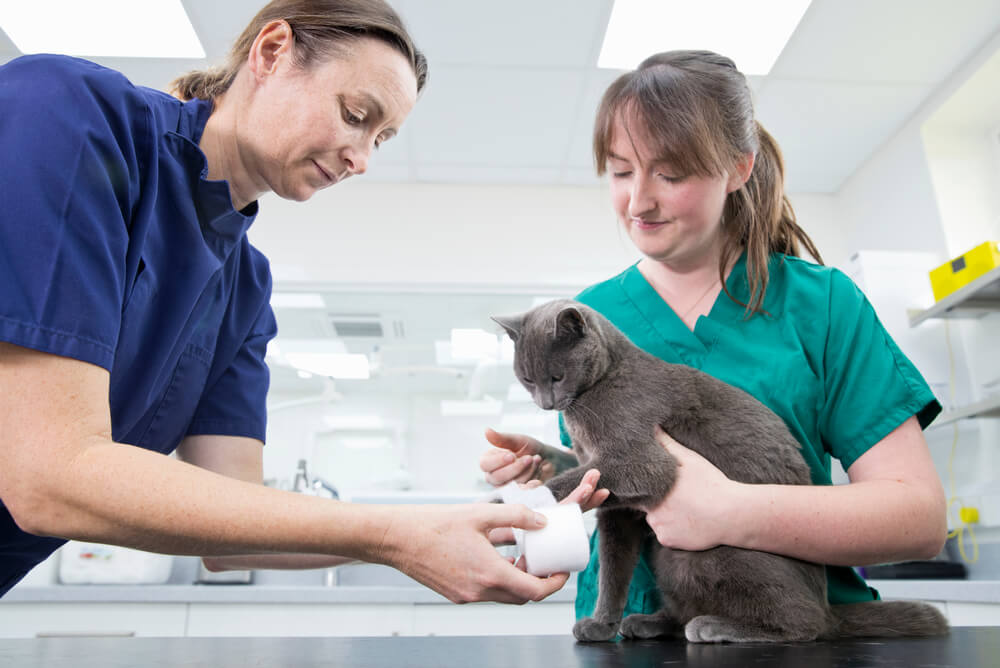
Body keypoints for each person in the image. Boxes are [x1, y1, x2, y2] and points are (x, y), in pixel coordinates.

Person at [0, 0, 601, 602]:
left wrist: (490, 516)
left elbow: (234, 532)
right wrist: (392, 535)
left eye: (381, 137)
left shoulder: (244, 287)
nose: (361, 159)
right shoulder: (70, 115)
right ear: (272, 52)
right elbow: (49, 475)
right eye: (355, 114)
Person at [480, 50, 947, 621]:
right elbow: (636, 478)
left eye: (670, 174)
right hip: (635, 634)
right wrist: (559, 469)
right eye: (622, 171)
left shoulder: (821, 305)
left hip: (787, 629)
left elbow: (919, 519)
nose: (638, 201)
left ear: (738, 169)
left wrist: (734, 511)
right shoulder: (589, 318)